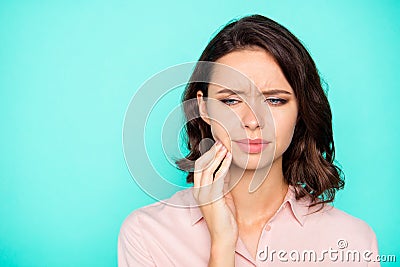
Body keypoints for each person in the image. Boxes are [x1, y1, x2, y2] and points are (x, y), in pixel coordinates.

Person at [118, 14, 380, 266]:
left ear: (301, 110)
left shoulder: (352, 240)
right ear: (204, 108)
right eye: (231, 100)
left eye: (274, 100)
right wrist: (222, 244)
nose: (253, 120)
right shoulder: (147, 234)